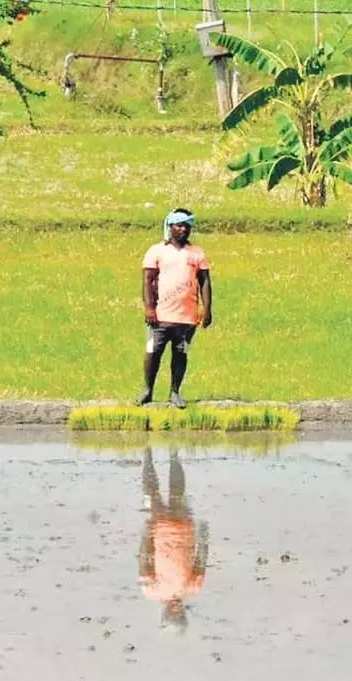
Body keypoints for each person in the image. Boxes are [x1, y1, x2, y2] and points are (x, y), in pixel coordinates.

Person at [137, 208, 213, 409]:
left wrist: (207, 309)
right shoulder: (157, 251)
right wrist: (149, 308)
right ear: (170, 227)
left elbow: (205, 282)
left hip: (187, 317)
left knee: (180, 354)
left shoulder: (197, 253)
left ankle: (175, 392)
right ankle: (147, 390)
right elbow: (147, 281)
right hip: (160, 316)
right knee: (153, 352)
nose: (183, 229)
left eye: (187, 225)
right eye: (179, 225)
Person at [139, 447, 209, 634]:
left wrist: (146, 534)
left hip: (159, 530)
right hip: (183, 529)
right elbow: (201, 560)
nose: (177, 611)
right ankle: (173, 455)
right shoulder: (193, 588)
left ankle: (147, 456)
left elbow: (144, 560)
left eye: (174, 616)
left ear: (166, 614)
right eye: (180, 615)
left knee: (152, 495)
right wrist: (204, 538)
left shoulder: (151, 591)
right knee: (177, 494)